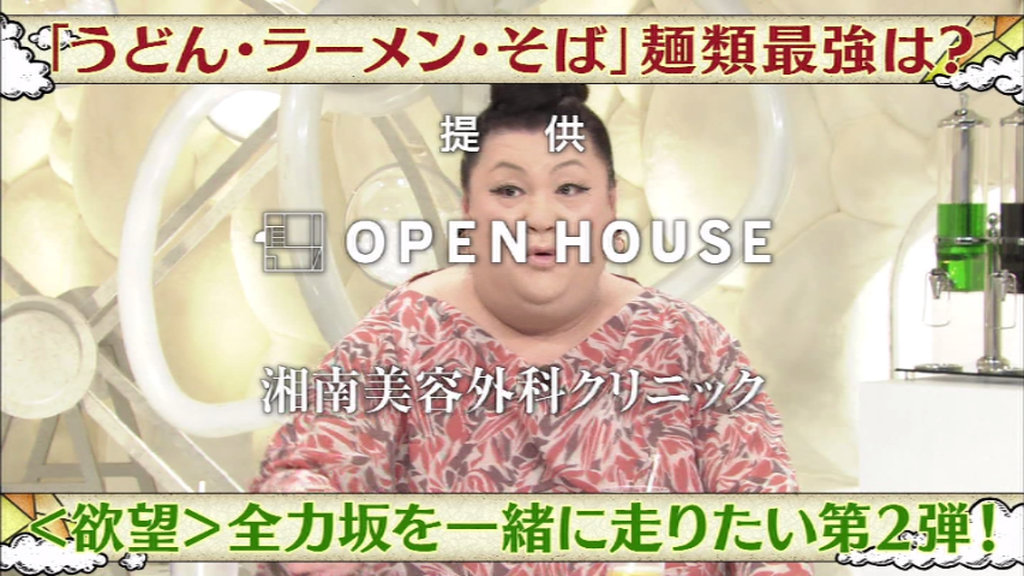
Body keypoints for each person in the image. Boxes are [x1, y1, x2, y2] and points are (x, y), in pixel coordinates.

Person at [252, 84, 812, 576]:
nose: (541, 218)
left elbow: (766, 522)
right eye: (508, 191)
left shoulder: (689, 343)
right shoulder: (401, 334)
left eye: (569, 189)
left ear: (610, 204)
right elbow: (311, 472)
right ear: (468, 211)